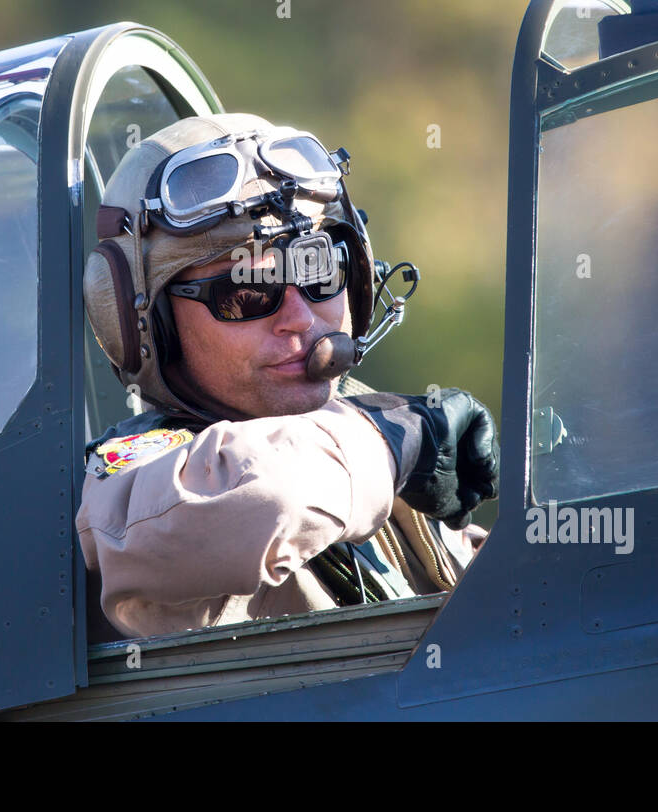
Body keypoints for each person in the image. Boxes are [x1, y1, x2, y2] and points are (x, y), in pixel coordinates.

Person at [76, 113, 500, 640]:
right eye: (247, 292)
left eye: (318, 271)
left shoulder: (360, 440)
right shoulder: (130, 484)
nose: (299, 317)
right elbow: (264, 498)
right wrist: (395, 440)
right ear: (149, 324)